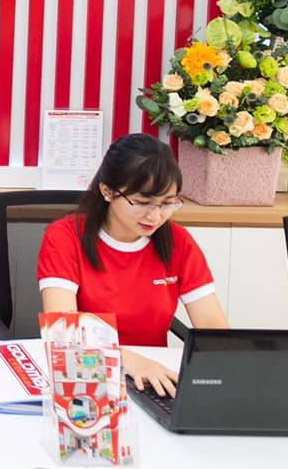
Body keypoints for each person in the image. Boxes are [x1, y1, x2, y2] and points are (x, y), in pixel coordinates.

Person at [35, 134, 230, 396]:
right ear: (107, 191)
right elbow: (63, 332)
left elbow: (215, 332)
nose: (155, 215)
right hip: (87, 378)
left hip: (152, 381)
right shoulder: (65, 237)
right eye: (141, 202)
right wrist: (128, 360)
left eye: (167, 203)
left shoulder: (178, 242)